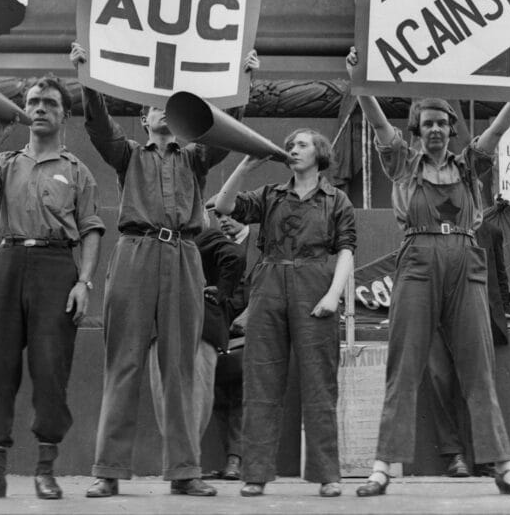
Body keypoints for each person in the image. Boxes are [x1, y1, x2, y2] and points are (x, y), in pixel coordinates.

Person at [346, 46, 510, 498]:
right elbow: (377, 123)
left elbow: (498, 129)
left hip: (466, 259)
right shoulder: (402, 163)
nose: (435, 129)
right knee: (404, 364)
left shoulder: (469, 165)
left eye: (442, 123)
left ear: (452, 129)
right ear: (417, 130)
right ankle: (382, 468)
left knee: (479, 366)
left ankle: (504, 466)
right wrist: (359, 82)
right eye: (427, 123)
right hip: (417, 259)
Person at [70, 43, 255, 498]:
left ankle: (184, 471)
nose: (163, 114)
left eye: (171, 109)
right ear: (143, 119)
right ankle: (108, 470)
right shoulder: (129, 155)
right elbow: (99, 127)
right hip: (135, 253)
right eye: (156, 107)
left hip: (184, 256)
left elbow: (226, 132)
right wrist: (86, 76)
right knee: (124, 363)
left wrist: (244, 81)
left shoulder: (195, 157)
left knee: (180, 366)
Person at [0, 76, 104, 501]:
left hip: (56, 268)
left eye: (50, 103)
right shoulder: (6, 162)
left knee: (51, 368)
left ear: (65, 115)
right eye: (33, 102)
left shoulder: (77, 171)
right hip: (8, 261)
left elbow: (91, 230)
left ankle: (45, 470)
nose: (39, 108)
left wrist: (84, 282)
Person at [214, 129, 355, 498]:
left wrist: (333, 295)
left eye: (302, 145)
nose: (293, 149)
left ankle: (327, 474)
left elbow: (346, 250)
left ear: (320, 154)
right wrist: (245, 166)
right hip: (269, 281)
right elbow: (224, 207)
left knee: (319, 382)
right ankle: (255, 473)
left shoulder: (336, 199)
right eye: (290, 145)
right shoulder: (270, 194)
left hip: (315, 282)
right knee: (261, 379)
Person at [146, 202, 250, 479]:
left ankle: (185, 468)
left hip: (201, 328)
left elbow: (235, 256)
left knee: (191, 398)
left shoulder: (205, 237)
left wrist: (221, 293)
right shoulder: (168, 243)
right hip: (173, 328)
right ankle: (181, 467)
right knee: (179, 399)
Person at [426, 220, 510, 478]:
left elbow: (498, 276)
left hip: (476, 314)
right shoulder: (425, 227)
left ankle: (484, 457)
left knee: (480, 383)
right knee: (440, 379)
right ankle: (453, 454)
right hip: (435, 314)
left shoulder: (489, 231)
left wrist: (504, 312)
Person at [207, 209, 250, 480]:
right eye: (218, 216)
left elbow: (265, 288)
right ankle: (227, 460)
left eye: (229, 214)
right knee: (216, 395)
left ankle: (236, 459)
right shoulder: (213, 245)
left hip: (249, 332)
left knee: (240, 395)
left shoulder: (259, 247)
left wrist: (246, 320)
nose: (223, 220)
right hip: (216, 329)